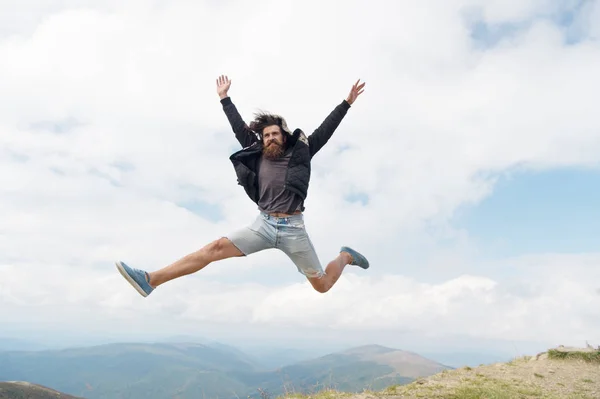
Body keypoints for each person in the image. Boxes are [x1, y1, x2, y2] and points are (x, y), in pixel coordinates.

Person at [115, 75, 369, 297]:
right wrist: (224, 98)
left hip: (294, 229)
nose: (270, 138)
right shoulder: (256, 153)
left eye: (275, 134)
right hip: (264, 225)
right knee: (213, 248)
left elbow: (326, 130)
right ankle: (151, 280)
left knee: (322, 286)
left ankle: (345, 257)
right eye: (266, 135)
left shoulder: (301, 152)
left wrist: (346, 103)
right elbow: (238, 127)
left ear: (284, 136)